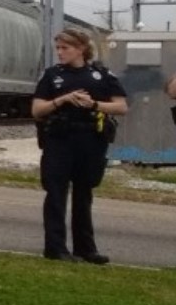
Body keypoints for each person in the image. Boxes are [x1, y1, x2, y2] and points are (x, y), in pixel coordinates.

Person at [32, 28, 128, 264]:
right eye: (58, 48)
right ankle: (55, 248)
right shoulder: (52, 76)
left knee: (84, 194)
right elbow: (36, 110)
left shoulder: (101, 75)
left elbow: (121, 107)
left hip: (90, 140)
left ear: (81, 49)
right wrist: (62, 100)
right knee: (56, 193)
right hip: (59, 140)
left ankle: (86, 248)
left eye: (65, 48)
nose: (60, 52)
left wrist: (93, 104)